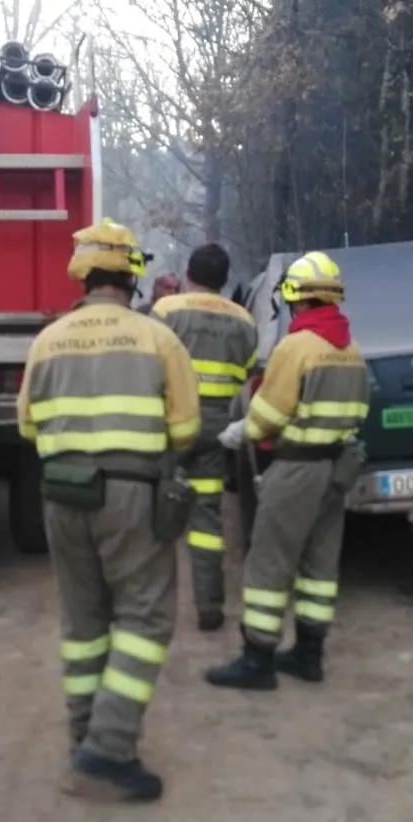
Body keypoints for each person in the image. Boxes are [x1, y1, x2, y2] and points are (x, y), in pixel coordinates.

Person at [17, 218, 200, 802]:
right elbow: (187, 429)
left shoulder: (48, 339)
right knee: (145, 618)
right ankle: (109, 747)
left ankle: (82, 742)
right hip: (131, 493)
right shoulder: (157, 338)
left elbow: (26, 424)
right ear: (132, 276)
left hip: (62, 494)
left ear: (84, 274)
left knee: (83, 625)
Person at [208, 251, 370, 689]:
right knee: (320, 564)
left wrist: (240, 431)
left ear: (296, 299)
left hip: (296, 468)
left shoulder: (295, 347)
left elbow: (268, 416)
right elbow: (359, 411)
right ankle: (309, 655)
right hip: (336, 468)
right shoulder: (351, 351)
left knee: (268, 562)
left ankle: (257, 659)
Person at [150, 243, 258, 631]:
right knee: (206, 518)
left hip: (168, 425)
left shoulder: (165, 311)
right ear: (224, 279)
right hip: (216, 431)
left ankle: (148, 609)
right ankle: (209, 607)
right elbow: (246, 374)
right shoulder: (245, 321)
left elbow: (148, 364)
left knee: (157, 512)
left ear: (189, 274)